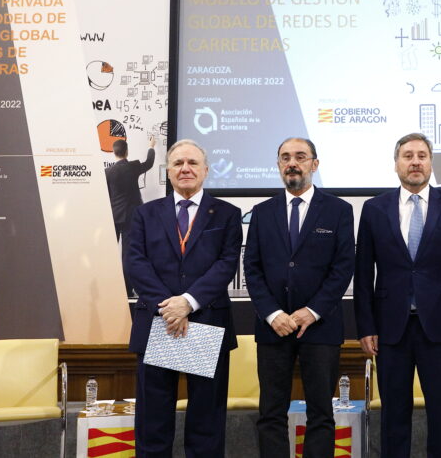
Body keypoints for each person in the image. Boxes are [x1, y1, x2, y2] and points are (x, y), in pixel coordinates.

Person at [354, 133, 441, 458]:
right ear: (396, 163)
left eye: (422, 155)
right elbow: (363, 274)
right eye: (407, 155)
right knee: (393, 415)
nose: (415, 162)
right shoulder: (374, 209)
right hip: (390, 329)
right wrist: (366, 327)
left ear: (431, 163)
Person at [127, 139, 242, 457]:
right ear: (168, 171)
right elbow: (136, 263)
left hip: (206, 323)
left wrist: (188, 302)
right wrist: (170, 307)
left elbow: (226, 264)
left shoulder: (227, 214)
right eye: (178, 163)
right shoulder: (145, 214)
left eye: (192, 163)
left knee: (206, 425)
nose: (185, 169)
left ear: (206, 170)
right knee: (153, 423)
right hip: (159, 323)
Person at [243, 137, 355, 458]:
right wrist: (272, 313)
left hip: (320, 328)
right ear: (278, 165)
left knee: (321, 413)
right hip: (272, 329)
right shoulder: (262, 212)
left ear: (314, 164)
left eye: (300, 157)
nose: (292, 163)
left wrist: (313, 310)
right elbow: (252, 268)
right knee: (270, 413)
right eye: (285, 157)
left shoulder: (338, 210)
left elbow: (343, 267)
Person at [106, 137, 156, 296]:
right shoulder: (133, 166)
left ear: (114, 152)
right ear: (126, 152)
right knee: (127, 254)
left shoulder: (108, 172)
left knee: (109, 253)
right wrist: (151, 146)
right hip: (131, 216)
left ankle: (109, 287)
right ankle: (127, 289)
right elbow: (149, 163)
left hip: (113, 216)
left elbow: (107, 195)